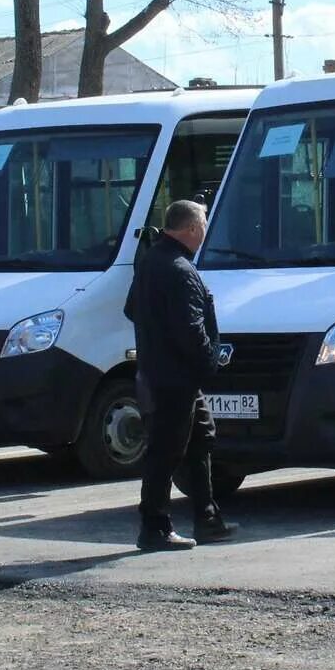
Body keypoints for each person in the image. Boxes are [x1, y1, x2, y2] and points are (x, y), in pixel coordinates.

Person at [128, 199, 237, 551]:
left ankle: (207, 518)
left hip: (166, 373)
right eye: (203, 223)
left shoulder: (152, 261)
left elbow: (132, 309)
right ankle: (155, 527)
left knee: (200, 438)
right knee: (166, 450)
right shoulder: (178, 268)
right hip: (175, 377)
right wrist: (209, 364)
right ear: (191, 229)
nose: (205, 229)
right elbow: (191, 329)